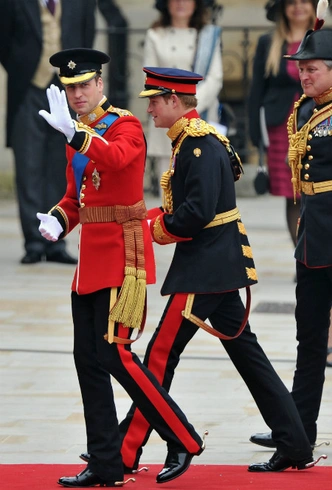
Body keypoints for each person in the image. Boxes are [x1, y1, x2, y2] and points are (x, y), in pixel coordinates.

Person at [88, 65, 324, 474]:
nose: (151, 111)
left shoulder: (197, 145)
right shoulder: (197, 139)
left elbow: (195, 213)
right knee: (248, 356)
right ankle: (295, 443)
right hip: (215, 264)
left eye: (156, 102)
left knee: (160, 356)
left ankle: (132, 450)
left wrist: (153, 227)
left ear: (175, 102)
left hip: (205, 267)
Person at [36, 48, 205, 487]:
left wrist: (76, 136)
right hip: (89, 261)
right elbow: (77, 199)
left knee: (117, 355)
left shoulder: (125, 124)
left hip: (121, 257)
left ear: (99, 85)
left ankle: (182, 437)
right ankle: (106, 461)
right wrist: (58, 218)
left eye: (83, 85)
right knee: (87, 360)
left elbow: (114, 159)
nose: (76, 94)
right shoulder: (73, 131)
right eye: (69, 87)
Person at [250, 10, 332, 452]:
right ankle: (299, 433)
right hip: (314, 235)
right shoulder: (304, 109)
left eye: (312, 68)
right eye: (300, 68)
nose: (303, 74)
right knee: (309, 337)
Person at [0, 0, 122, 265]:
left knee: (63, 164)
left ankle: (56, 238)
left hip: (68, 90)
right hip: (27, 90)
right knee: (28, 164)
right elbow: (5, 40)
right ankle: (33, 241)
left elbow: (85, 37)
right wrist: (24, 66)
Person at [248, 0, 317, 252]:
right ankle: (303, 258)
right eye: (291, 2)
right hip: (282, 127)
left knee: (319, 189)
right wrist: (255, 133)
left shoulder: (323, 38)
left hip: (318, 122)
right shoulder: (269, 42)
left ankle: (320, 256)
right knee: (294, 194)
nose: (298, 7)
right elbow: (256, 90)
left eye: (304, 2)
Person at [144, 0, 223, 193]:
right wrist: (173, 107)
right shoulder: (155, 35)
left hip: (199, 114)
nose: (180, 3)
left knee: (202, 183)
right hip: (167, 116)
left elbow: (215, 77)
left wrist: (188, 106)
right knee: (171, 185)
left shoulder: (208, 35)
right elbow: (149, 76)